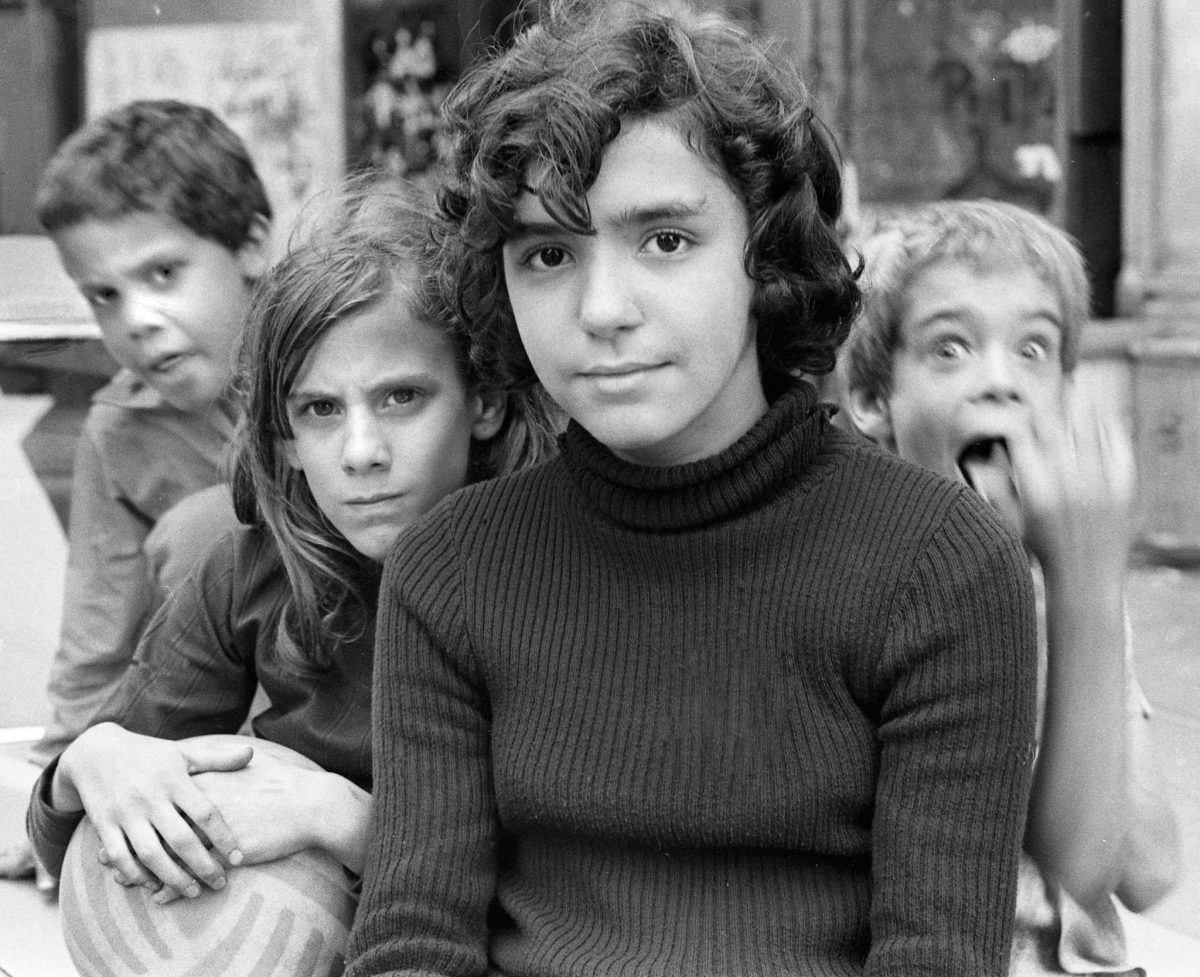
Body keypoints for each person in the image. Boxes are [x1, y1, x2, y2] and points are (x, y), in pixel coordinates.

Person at [346, 3, 1040, 975]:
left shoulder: (941, 566)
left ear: (766, 255)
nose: (601, 309)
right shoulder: (452, 568)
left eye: (664, 240)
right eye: (547, 253)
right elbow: (414, 942)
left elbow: (937, 954)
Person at [24, 182, 558, 911]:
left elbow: (573, 896)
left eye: (402, 397)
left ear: (485, 402)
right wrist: (90, 762)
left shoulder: (560, 572)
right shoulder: (251, 569)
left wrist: (337, 815)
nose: (361, 452)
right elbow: (68, 833)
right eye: (321, 409)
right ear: (286, 436)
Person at [839, 198, 1183, 975]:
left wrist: (1080, 592)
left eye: (1034, 349)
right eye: (951, 348)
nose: (1001, 380)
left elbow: (1153, 865)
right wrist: (1089, 586)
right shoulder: (865, 592)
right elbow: (1077, 859)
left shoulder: (1062, 571)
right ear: (873, 401)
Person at [0, 100, 274, 883]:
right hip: (229, 736)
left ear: (251, 245)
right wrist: (60, 797)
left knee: (212, 528)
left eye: (162, 274)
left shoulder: (342, 363)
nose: (138, 321)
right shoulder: (119, 431)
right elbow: (98, 639)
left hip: (383, 703)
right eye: (104, 296)